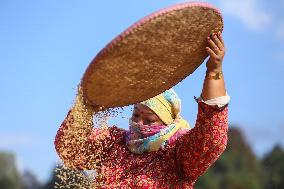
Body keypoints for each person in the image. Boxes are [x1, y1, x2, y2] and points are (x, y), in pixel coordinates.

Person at [55, 31, 230, 188]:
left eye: (149, 120)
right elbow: (69, 149)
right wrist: (85, 107)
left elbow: (212, 139)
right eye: (136, 115)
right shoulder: (115, 143)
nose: (139, 123)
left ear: (166, 122)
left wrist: (214, 72)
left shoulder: (177, 154)